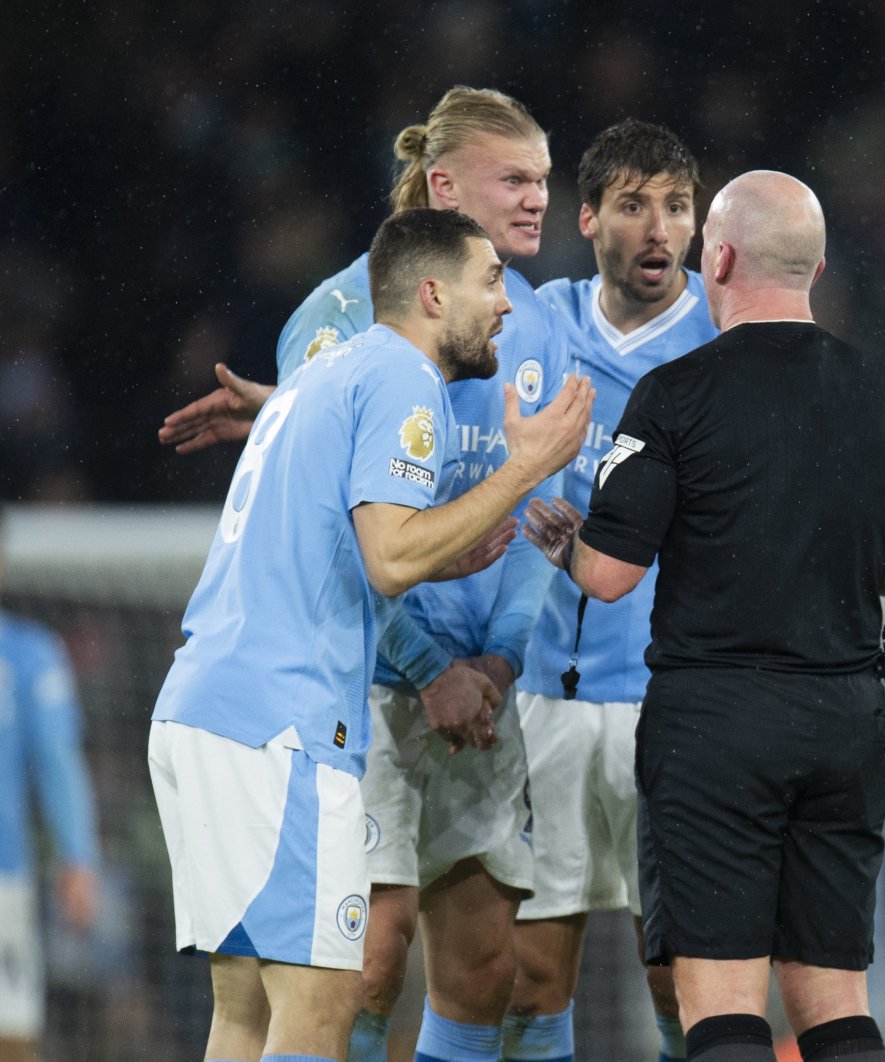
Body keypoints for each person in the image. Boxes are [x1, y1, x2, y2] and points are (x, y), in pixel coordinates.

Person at [159, 85, 579, 1062]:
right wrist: (432, 665)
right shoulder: (368, 339)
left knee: (267, 1009)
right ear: (442, 188)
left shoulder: (491, 329)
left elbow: (517, 521)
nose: (535, 202)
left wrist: (500, 656)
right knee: (331, 992)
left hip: (249, 698)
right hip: (319, 703)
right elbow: (383, 552)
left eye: (545, 181)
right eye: (512, 178)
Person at [522, 170, 885, 1062]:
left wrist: (564, 542)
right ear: (817, 265)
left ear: (716, 257)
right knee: (835, 1001)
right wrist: (813, 543)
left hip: (715, 726)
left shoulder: (673, 395)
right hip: (843, 723)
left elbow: (608, 575)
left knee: (722, 1003)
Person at [504, 118, 717, 1062]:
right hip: (544, 698)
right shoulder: (539, 320)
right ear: (588, 218)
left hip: (671, 705)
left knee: (677, 973)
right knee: (529, 976)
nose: (659, 228)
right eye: (635, 205)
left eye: (677, 206)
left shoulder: (727, 336)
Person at [0, 518, 98, 1062]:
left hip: (3, 881)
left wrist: (78, 857)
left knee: (12, 1038)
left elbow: (59, 762)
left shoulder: (30, 654)